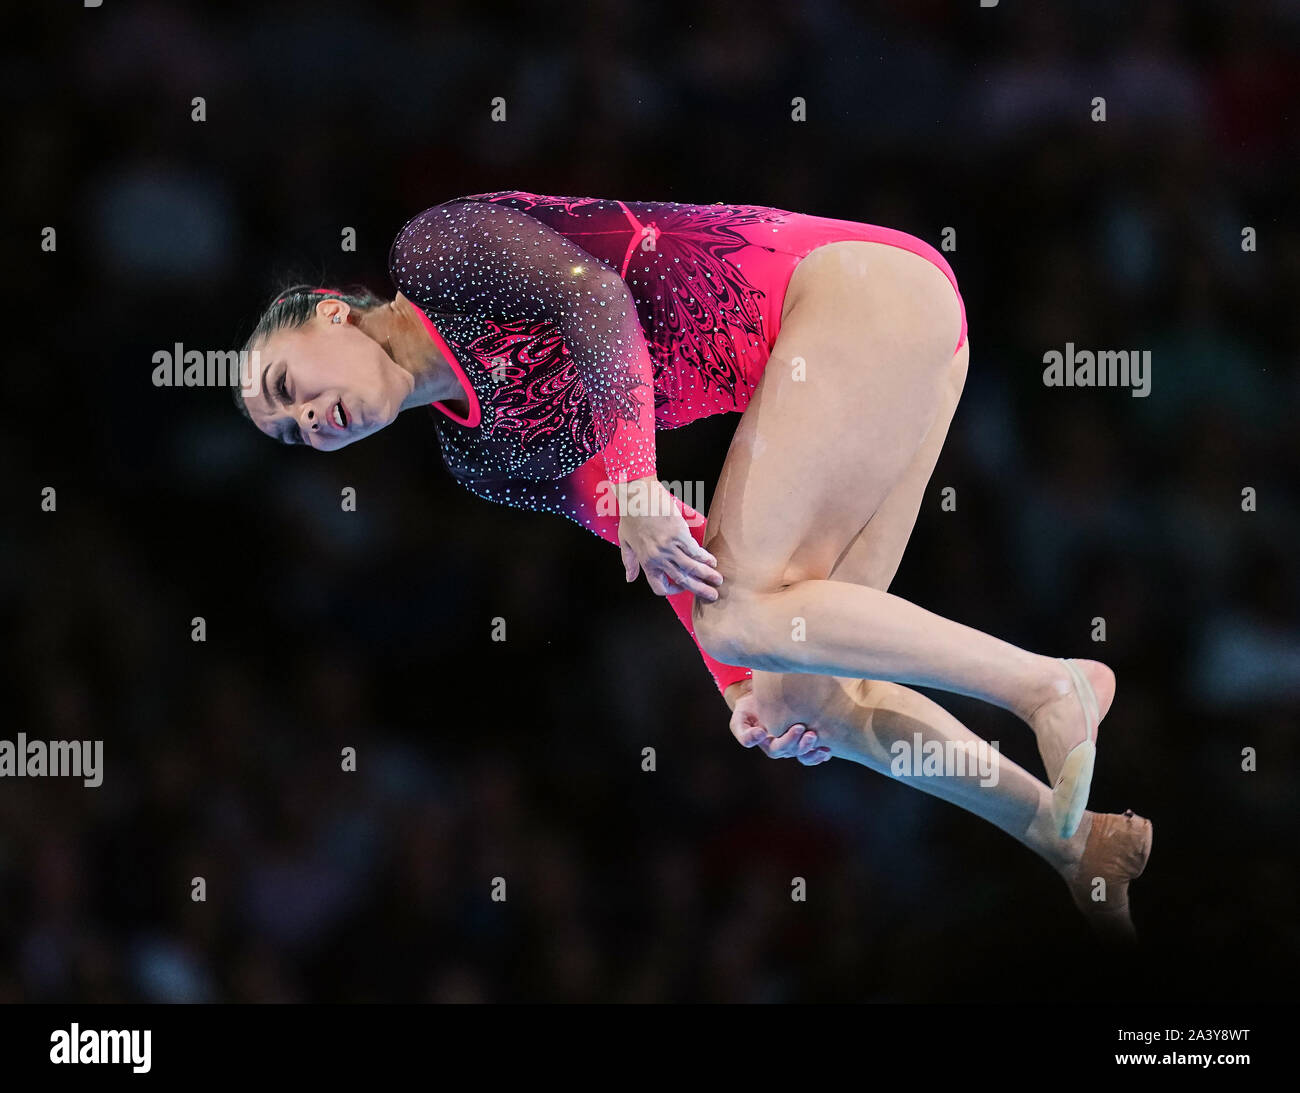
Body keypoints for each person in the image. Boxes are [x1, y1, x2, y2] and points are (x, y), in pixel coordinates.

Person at [236, 190, 1152, 939]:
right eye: (291, 433)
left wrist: (635, 479)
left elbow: (599, 303)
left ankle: (1047, 686)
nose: (311, 421)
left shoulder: (437, 252)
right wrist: (737, 689)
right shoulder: (488, 458)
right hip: (889, 347)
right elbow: (677, 555)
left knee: (755, 621)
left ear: (327, 311)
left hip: (851, 292)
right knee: (801, 691)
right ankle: (1074, 843)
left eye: (290, 387)